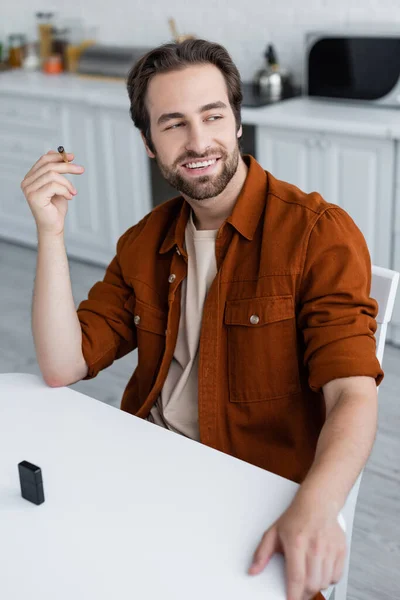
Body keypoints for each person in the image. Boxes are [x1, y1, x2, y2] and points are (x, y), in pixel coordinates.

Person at [21, 39, 383, 600]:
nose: (197, 142)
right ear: (148, 143)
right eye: (173, 125)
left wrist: (315, 508)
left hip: (249, 494)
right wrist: (51, 233)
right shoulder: (144, 242)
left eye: (212, 116)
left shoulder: (318, 234)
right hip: (148, 472)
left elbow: (352, 395)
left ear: (237, 122)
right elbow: (63, 363)